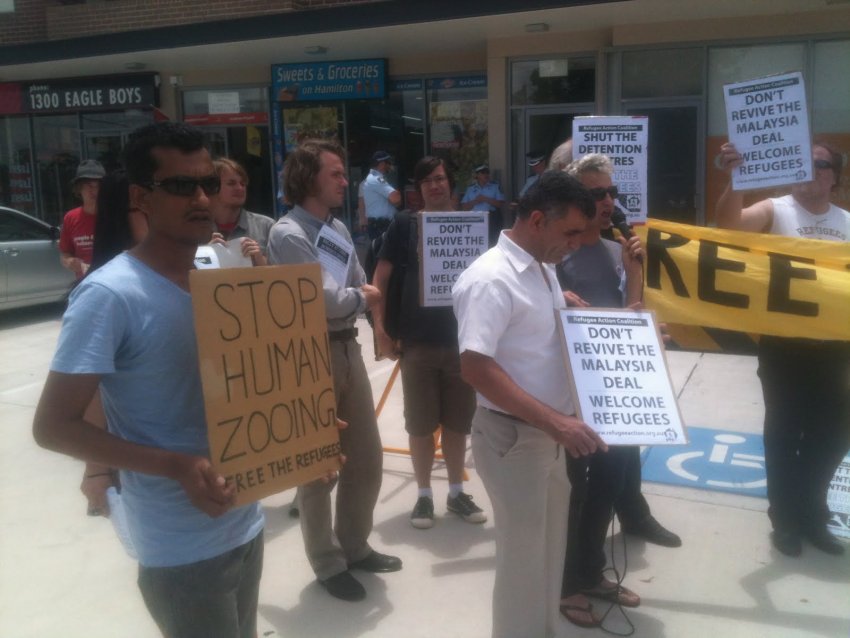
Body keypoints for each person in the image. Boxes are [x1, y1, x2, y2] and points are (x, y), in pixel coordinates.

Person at [32, 122, 266, 638]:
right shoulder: (109, 296)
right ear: (141, 196)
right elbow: (53, 427)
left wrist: (303, 427)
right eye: (182, 186)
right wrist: (174, 465)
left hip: (246, 521)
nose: (202, 198)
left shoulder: (218, 286)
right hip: (180, 547)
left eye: (207, 182)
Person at [453, 170, 607, 638]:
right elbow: (475, 368)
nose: (578, 243)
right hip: (515, 439)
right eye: (572, 232)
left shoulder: (544, 268)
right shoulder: (490, 280)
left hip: (549, 439)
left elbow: (537, 340)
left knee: (547, 556)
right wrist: (557, 423)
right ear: (538, 220)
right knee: (522, 564)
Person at [267, 139, 402, 602]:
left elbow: (355, 276)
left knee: (365, 456)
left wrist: (356, 298)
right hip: (311, 353)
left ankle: (355, 545)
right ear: (308, 178)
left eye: (345, 174)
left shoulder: (337, 226)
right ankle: (326, 563)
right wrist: (360, 297)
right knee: (320, 466)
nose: (346, 182)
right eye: (336, 174)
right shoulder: (289, 234)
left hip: (348, 348)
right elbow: (323, 301)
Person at [556, 153, 681, 627]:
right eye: (596, 194)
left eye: (611, 192)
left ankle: (590, 572)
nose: (608, 201)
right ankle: (566, 584)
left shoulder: (617, 252)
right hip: (572, 398)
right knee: (575, 494)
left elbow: (630, 320)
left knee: (608, 487)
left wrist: (634, 275)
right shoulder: (556, 257)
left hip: (616, 396)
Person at [715, 140, 850, 558]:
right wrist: (735, 178)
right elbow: (728, 226)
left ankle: (812, 512)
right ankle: (785, 518)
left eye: (821, 165)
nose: (811, 171)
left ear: (835, 176)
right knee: (784, 433)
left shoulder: (847, 222)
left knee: (832, 436)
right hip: (785, 348)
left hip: (838, 351)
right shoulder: (775, 210)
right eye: (802, 164)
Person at [372, 156, 486, 530]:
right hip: (417, 343)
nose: (434, 186)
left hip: (461, 344)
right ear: (418, 190)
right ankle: (423, 496)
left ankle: (456, 493)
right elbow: (382, 276)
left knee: (458, 424)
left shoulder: (473, 225)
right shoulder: (405, 225)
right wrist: (380, 329)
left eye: (439, 178)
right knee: (419, 426)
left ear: (450, 183)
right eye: (426, 182)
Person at [209, 158, 274, 266]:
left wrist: (260, 259)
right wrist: (205, 255)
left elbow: (283, 274)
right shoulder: (196, 230)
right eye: (231, 183)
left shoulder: (266, 226)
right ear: (213, 188)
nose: (240, 188)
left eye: (243, 184)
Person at [59, 159, 105, 278]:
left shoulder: (114, 216)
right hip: (85, 283)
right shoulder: (71, 217)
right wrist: (70, 262)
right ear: (79, 188)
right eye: (88, 185)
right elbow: (65, 254)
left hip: (112, 284)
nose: (93, 190)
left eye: (98, 185)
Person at [359, 150, 401, 239]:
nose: (390, 166)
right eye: (388, 163)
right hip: (380, 227)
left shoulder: (372, 179)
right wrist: (398, 194)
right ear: (381, 164)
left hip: (379, 226)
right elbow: (396, 199)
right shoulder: (377, 179)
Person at [461, 164, 506, 244]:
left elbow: (500, 203)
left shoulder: (495, 187)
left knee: (492, 242)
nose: (486, 174)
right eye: (483, 172)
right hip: (475, 219)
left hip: (491, 218)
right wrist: (475, 201)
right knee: (476, 242)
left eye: (487, 172)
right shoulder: (470, 189)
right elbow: (464, 207)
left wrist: (485, 199)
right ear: (477, 175)